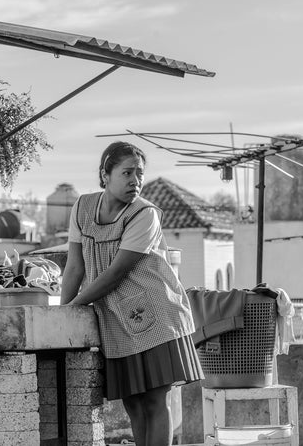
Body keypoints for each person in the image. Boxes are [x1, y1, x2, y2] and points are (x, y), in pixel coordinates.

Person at [60, 141, 203, 446]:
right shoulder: (82, 208)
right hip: (116, 320)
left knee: (154, 401)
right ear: (105, 174)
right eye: (127, 172)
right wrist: (62, 315)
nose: (135, 180)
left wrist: (75, 305)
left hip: (155, 316)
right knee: (133, 404)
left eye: (139, 173)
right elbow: (75, 267)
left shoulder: (145, 214)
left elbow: (114, 273)